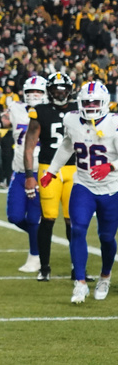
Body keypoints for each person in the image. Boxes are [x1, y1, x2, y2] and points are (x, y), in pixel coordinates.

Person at [40, 81, 118, 303]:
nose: (91, 105)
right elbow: (66, 145)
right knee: (77, 229)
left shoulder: (114, 123)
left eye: (95, 102)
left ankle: (105, 275)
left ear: (105, 103)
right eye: (87, 102)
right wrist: (52, 171)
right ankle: (80, 283)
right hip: (83, 184)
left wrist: (110, 166)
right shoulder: (71, 119)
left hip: (112, 188)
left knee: (106, 237)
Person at [25, 72, 77, 282]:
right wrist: (30, 175)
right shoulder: (40, 112)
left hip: (75, 169)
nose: (59, 93)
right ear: (49, 91)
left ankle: (78, 268)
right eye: (55, 89)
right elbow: (29, 146)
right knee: (47, 219)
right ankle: (44, 267)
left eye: (63, 89)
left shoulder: (79, 109)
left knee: (73, 221)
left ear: (69, 90)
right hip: (49, 169)